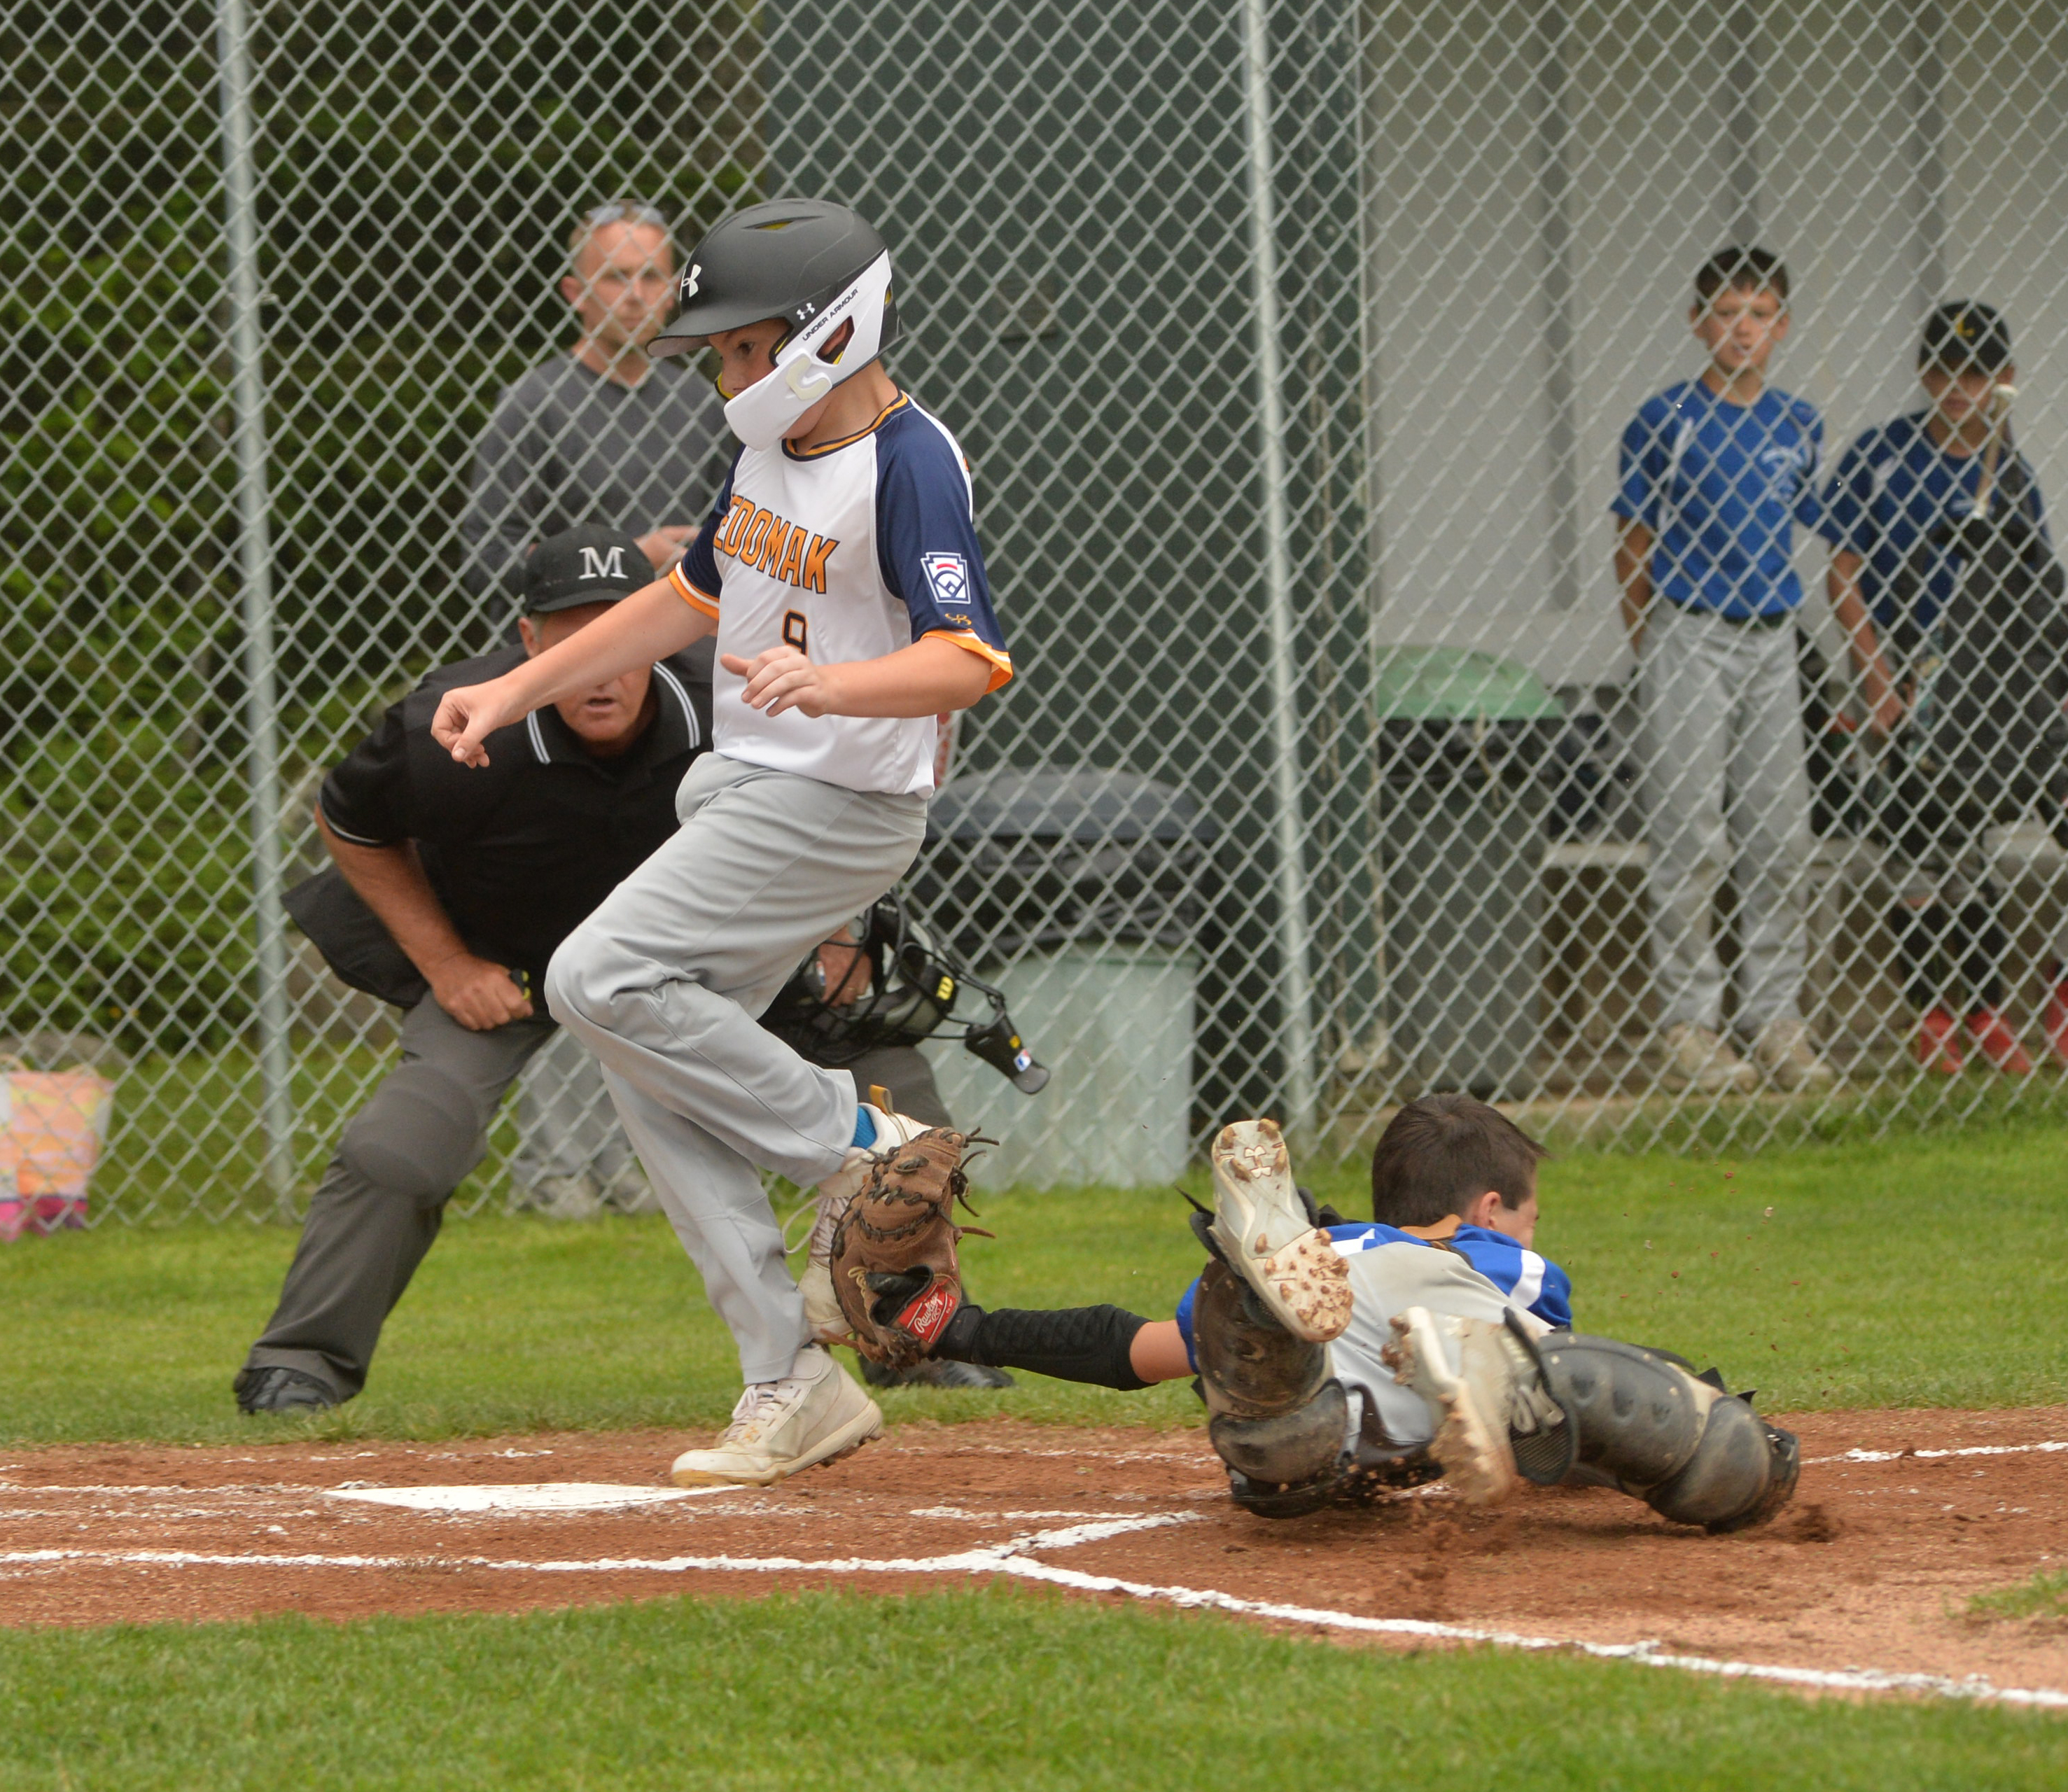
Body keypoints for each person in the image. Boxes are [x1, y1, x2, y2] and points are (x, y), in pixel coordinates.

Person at [428, 199, 1014, 1488]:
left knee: (596, 980)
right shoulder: (764, 455)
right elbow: (683, 598)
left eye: (746, 348)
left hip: (839, 805)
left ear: (829, 332)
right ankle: (786, 1381)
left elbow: (965, 659)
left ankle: (860, 1153)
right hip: (739, 791)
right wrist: (512, 691)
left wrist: (837, 692)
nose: (725, 372)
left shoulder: (908, 460)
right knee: (649, 1064)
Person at [235, 526, 711, 1411]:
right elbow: (351, 821)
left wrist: (835, 946)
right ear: (529, 645)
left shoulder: (729, 713)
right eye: (570, 639)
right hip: (508, 969)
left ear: (666, 630)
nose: (598, 668)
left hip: (683, 969)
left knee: (875, 1063)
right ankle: (300, 1362)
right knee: (399, 1150)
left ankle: (921, 1335)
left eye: (621, 634)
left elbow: (817, 828)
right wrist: (447, 963)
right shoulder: (452, 727)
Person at [921, 1096, 1798, 1532]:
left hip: (1304, 1432)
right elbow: (1580, 1430)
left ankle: (1258, 1314)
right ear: (1490, 1209)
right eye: (1527, 1215)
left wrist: (957, 1326)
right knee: (1582, 1378)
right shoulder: (1491, 1255)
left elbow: (1123, 1348)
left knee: (1267, 1413)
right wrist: (1701, 1401)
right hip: (1438, 1310)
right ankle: (1481, 1369)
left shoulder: (1335, 1259)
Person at [457, 200, 733, 1211]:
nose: (634, 296)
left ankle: (646, 1161)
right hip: (576, 707)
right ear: (575, 292)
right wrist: (632, 558)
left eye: (652, 278)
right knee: (578, 926)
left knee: (674, 932)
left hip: (690, 701)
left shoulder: (699, 406)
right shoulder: (533, 406)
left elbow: (747, 531)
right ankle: (559, 1170)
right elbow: (487, 555)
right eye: (613, 278)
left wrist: (692, 564)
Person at [1818, 302, 2068, 1074]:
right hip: (1901, 661)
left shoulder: (2009, 467)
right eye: (1939, 371)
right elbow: (1842, 572)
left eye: (1974, 373)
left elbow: (2027, 587)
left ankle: (1989, 1011)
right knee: (1919, 850)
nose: (1954, 387)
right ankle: (1930, 1016)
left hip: (1985, 672)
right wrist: (1874, 674)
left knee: (1976, 851)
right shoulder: (1880, 455)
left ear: (2004, 380)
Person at [1612, 247, 1837, 1096]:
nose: (1740, 328)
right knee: (1688, 829)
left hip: (1770, 637)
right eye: (1725, 311)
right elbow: (1630, 541)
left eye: (1758, 313)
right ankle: (1690, 1022)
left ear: (1780, 326)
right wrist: (1655, 642)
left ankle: (1774, 1016)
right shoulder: (1664, 419)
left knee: (1779, 833)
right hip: (1688, 632)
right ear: (1697, 321)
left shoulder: (1795, 423)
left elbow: (1814, 520)